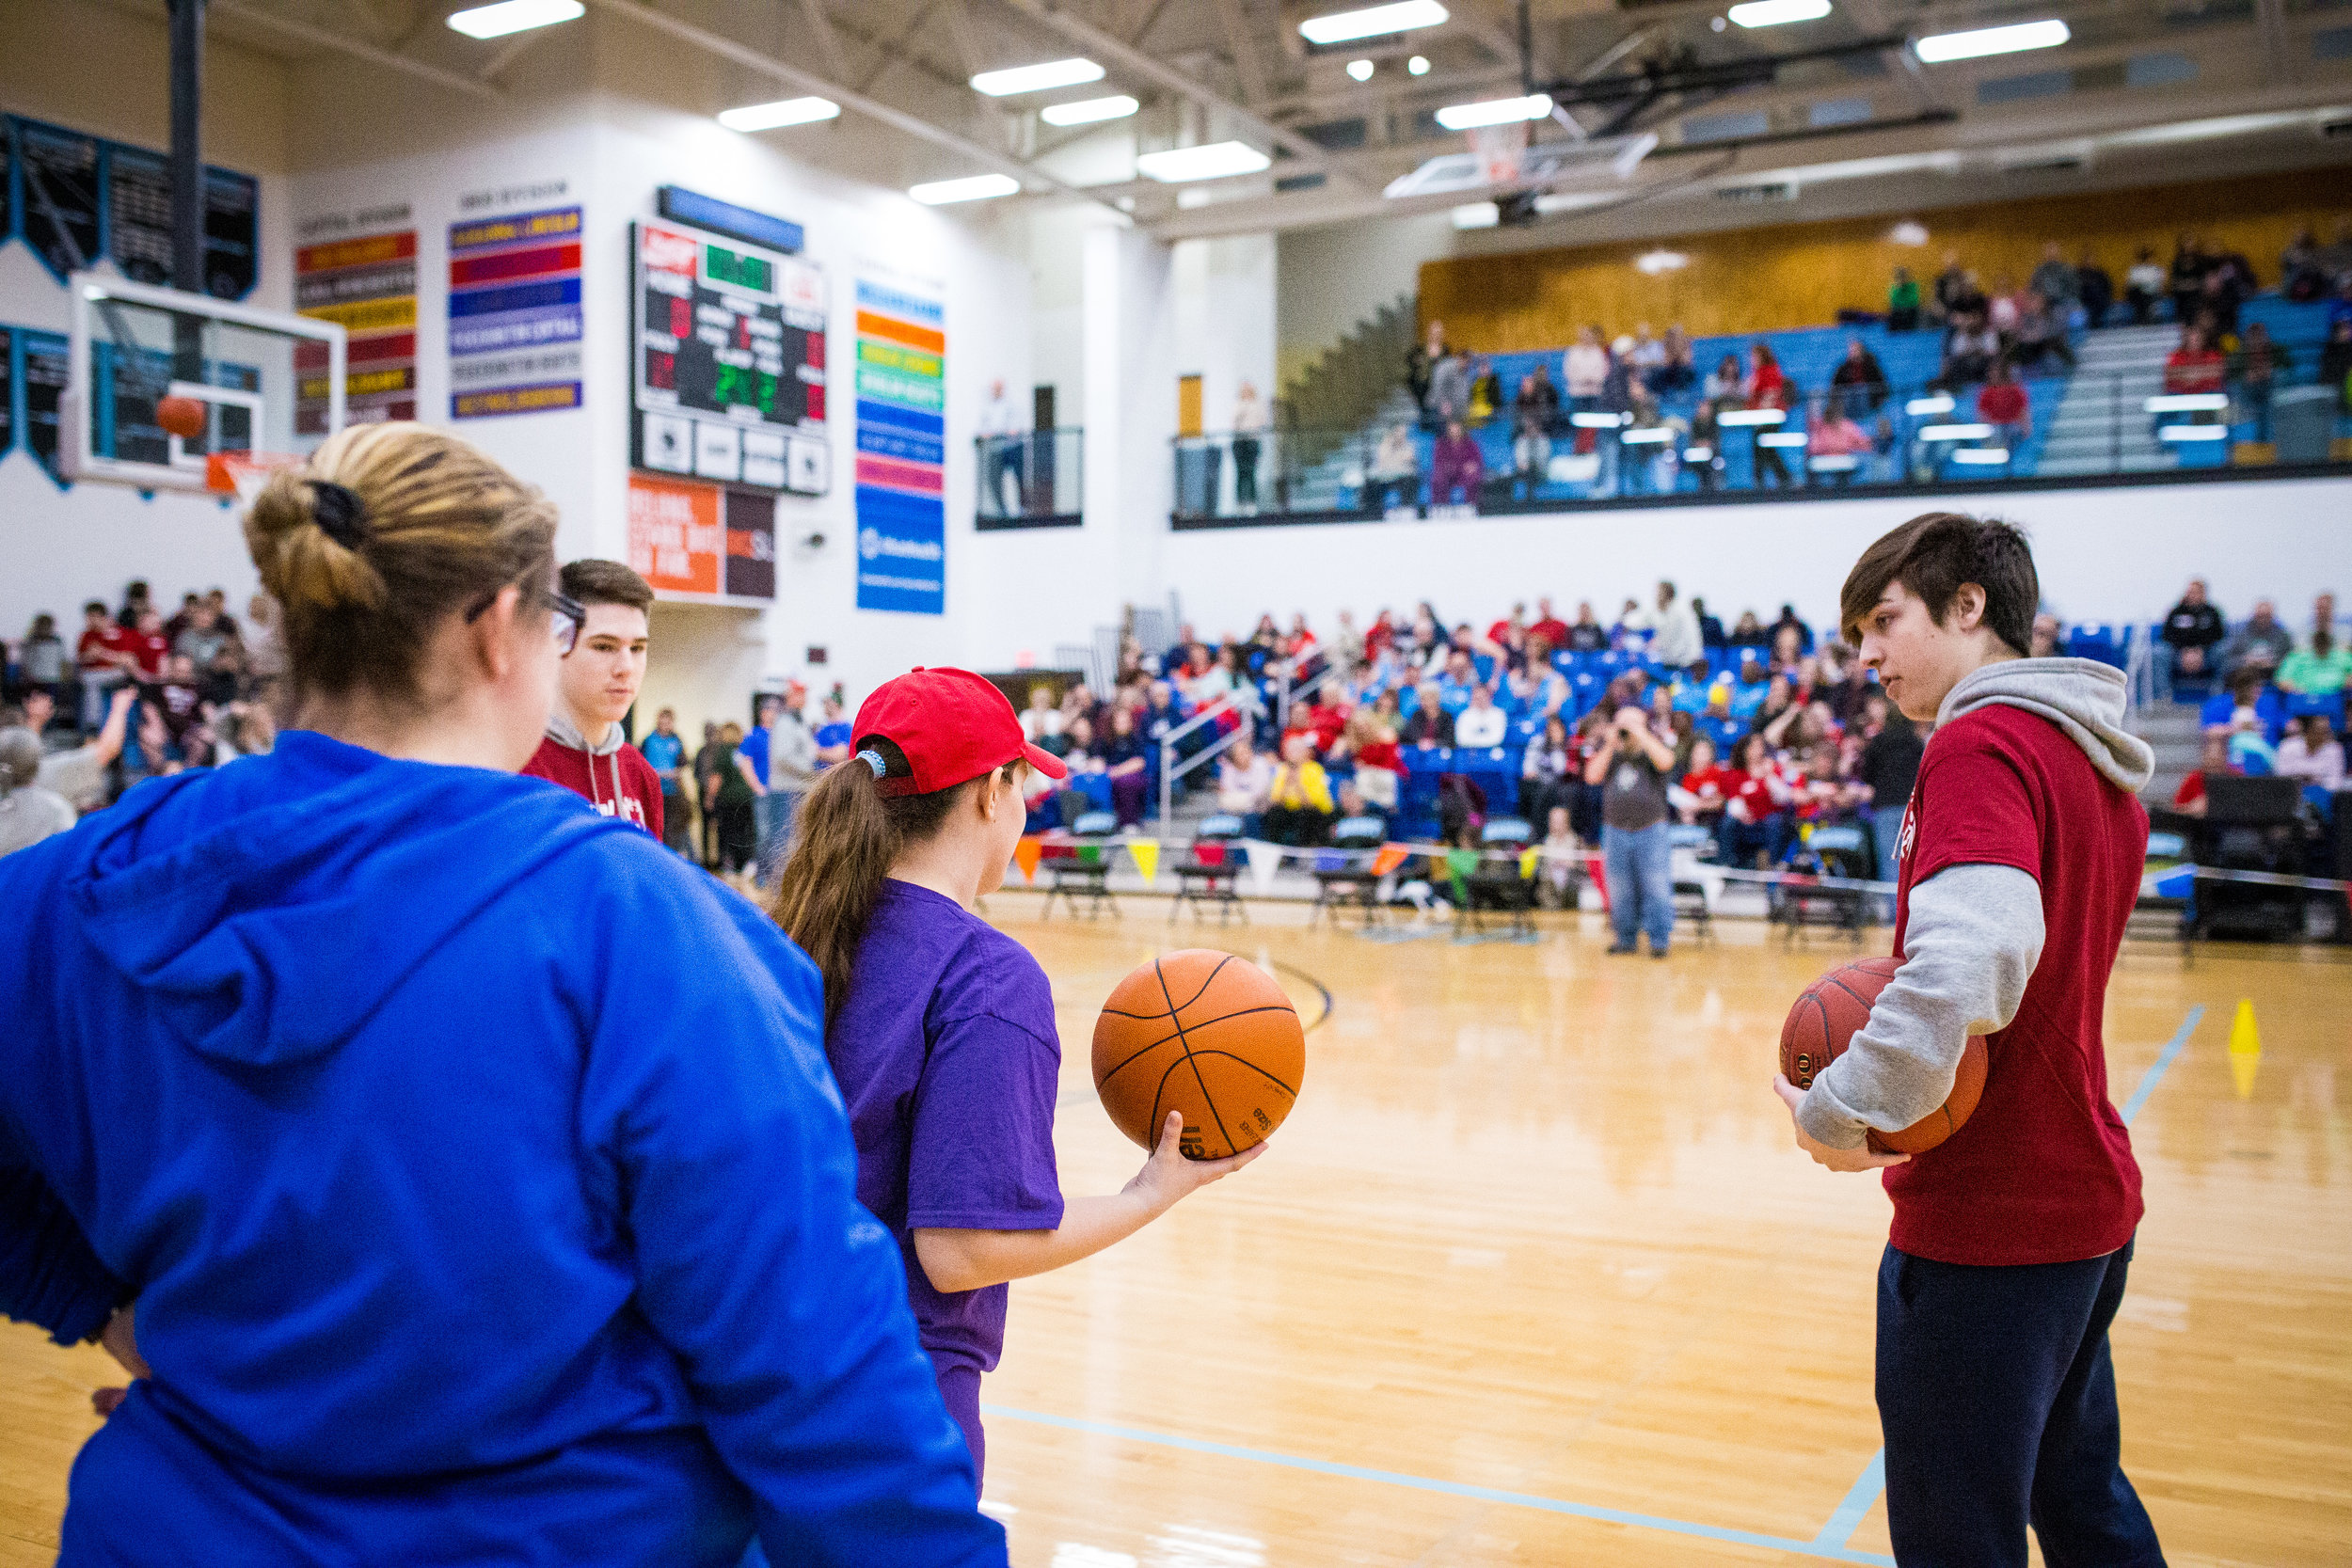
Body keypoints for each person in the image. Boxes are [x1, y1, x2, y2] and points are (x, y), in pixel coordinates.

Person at [0, 423, 1006, 1563]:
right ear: (497, 631)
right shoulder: (652, 935)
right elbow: (818, 1374)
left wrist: (116, 1316)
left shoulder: (62, 890)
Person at [1778, 511, 2161, 1568]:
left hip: (1991, 1220)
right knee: (2081, 1502)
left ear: (1968, 605)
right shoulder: (2088, 754)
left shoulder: (1980, 742)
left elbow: (1968, 962)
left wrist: (1840, 1105)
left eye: (1883, 620)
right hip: (2082, 1194)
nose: (1865, 657)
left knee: (1956, 1539)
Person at [769, 670, 1257, 1483]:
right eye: (1023, 783)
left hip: (752, 1365)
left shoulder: (791, 935)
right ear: (992, 793)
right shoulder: (986, 975)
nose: (1026, 807)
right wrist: (1152, 1191)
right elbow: (960, 1250)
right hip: (891, 1398)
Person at [519, 559, 661, 836]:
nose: (626, 668)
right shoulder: (517, 764)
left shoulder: (641, 774)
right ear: (557, 642)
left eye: (637, 648)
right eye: (604, 646)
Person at [1585, 703, 1677, 958]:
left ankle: (1659, 940)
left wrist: (1642, 734)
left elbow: (1667, 762)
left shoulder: (1652, 749)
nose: (1626, 730)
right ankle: (1625, 938)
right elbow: (1591, 776)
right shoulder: (1612, 753)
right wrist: (1610, 743)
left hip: (1651, 829)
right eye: (1621, 723)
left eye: (1631, 724)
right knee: (1620, 889)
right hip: (1615, 830)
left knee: (1656, 886)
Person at [1263, 731, 1337, 845]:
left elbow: (1313, 803)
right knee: (1275, 813)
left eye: (1296, 750)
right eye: (1290, 750)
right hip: (1290, 812)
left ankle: (1301, 853)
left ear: (1305, 752)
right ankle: (1275, 851)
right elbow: (1275, 800)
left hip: (1313, 813)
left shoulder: (1314, 769)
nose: (1293, 753)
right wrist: (1286, 784)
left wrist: (1298, 783)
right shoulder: (1282, 769)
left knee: (1305, 814)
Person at [640, 706, 693, 854]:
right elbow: (640, 764)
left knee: (671, 829)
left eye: (668, 722)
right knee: (653, 825)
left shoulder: (677, 740)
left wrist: (675, 774)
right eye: (662, 721)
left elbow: (683, 765)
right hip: (653, 791)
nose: (665, 725)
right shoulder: (648, 740)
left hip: (672, 791)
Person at [2161, 578, 2226, 684]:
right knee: (2160, 653)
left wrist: (2200, 650)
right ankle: (2162, 696)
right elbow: (2167, 635)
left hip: (2206, 653)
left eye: (2197, 592)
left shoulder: (2212, 612)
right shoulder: (2176, 611)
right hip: (2179, 653)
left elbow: (2218, 635)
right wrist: (2185, 651)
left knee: (2222, 651)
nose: (2193, 595)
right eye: (2190, 592)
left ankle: (2219, 692)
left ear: (2203, 594)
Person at [977, 376, 1025, 517]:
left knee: (1018, 478)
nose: (997, 391)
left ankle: (1021, 507)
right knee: (994, 480)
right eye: (994, 388)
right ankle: (1001, 510)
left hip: (1012, 446)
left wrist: (1009, 432)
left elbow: (1015, 425)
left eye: (999, 388)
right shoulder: (987, 407)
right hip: (995, 449)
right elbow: (984, 428)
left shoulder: (1011, 405)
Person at [2218, 598, 2292, 679]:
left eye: (2266, 616)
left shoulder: (2282, 635)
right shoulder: (2239, 633)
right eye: (2260, 616)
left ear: (2272, 616)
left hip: (2273, 675)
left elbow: (2290, 660)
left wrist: (2272, 663)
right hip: (2243, 677)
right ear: (2254, 615)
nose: (2263, 620)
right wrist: (2245, 661)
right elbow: (2228, 659)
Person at [1366, 421, 1420, 512]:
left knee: (1410, 482)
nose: (1402, 435)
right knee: (1371, 484)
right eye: (1399, 432)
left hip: (1402, 479)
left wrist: (1395, 462)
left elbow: (1410, 464)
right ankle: (1373, 513)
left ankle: (1406, 511)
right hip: (1385, 479)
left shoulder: (1409, 446)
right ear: (1393, 433)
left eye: (1404, 433)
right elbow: (1383, 464)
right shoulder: (1384, 446)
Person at [1429, 419, 1484, 508]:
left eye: (1457, 427)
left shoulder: (1470, 443)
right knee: (1438, 477)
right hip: (1448, 473)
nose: (1455, 430)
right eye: (1452, 427)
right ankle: (1440, 507)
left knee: (1473, 475)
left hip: (1463, 474)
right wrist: (1447, 467)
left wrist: (1472, 466)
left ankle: (1471, 507)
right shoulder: (1441, 444)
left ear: (1461, 428)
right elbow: (1438, 462)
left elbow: (1477, 460)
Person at [1649, 580, 1702, 671]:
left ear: (1666, 593)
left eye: (1659, 592)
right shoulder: (1670, 610)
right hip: (1675, 658)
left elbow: (1670, 635)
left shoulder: (1677, 611)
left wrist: (1656, 643)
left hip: (1683, 660)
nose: (1656, 595)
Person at [1231, 381, 1266, 513]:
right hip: (1239, 441)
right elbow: (1234, 421)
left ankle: (1252, 503)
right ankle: (1240, 504)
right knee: (1240, 473)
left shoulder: (1257, 405)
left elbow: (1261, 421)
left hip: (1252, 441)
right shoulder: (1238, 404)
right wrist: (1244, 406)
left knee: (1251, 472)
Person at [1831, 338, 1888, 412]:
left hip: (1867, 396)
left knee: (1861, 390)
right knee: (1848, 393)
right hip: (1849, 396)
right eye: (1851, 350)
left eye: (1855, 349)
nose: (1853, 352)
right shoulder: (1843, 368)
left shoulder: (1871, 366)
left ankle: (1863, 413)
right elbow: (1835, 385)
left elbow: (1881, 383)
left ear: (1861, 350)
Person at [2122, 245, 2166, 325]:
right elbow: (2129, 285)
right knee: (2137, 293)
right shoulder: (2134, 270)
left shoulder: (2157, 269)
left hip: (2153, 294)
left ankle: (2149, 317)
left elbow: (2161, 286)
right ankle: (2143, 318)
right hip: (2138, 295)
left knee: (2149, 297)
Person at [2074, 246, 2114, 329]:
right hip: (2084, 303)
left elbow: (2108, 289)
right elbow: (2075, 292)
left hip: (2101, 303)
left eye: (2091, 259)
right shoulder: (2078, 274)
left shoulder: (2101, 275)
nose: (2089, 261)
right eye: (2087, 259)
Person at [1887, 266, 1921, 333]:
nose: (1902, 279)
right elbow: (1893, 301)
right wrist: (1899, 289)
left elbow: (1914, 301)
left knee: (1909, 321)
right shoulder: (1894, 287)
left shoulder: (1912, 286)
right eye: (1899, 277)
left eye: (1903, 277)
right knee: (1893, 323)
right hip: (1899, 310)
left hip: (1909, 309)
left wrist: (1903, 303)